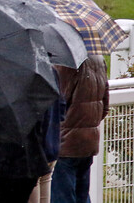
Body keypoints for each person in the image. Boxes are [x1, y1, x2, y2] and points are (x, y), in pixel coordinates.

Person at [51, 55, 110, 203]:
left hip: (66, 144)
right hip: (88, 142)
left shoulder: (67, 63)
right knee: (82, 195)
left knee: (63, 196)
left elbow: (57, 102)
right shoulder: (98, 59)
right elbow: (105, 105)